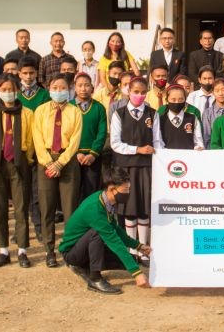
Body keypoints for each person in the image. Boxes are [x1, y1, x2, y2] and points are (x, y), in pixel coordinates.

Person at [59, 167, 152, 294]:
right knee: (97, 233)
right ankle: (95, 279)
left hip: (82, 246)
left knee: (129, 259)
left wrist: (138, 246)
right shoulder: (95, 208)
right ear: (112, 189)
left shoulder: (104, 200)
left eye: (129, 189)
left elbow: (116, 230)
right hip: (71, 253)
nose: (128, 193)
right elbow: (114, 240)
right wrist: (137, 274)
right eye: (125, 189)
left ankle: (82, 266)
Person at [33, 73, 83, 268]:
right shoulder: (40, 111)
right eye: (55, 87)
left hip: (68, 161)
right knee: (47, 209)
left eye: (63, 88)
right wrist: (48, 162)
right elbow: (37, 138)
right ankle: (49, 250)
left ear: (69, 90)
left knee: (70, 209)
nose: (59, 91)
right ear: (49, 89)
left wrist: (61, 163)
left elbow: (75, 141)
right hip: (46, 160)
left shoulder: (75, 111)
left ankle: (69, 251)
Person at [0, 73, 35, 268]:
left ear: (17, 90)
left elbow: (29, 141)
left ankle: (22, 250)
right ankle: (3, 250)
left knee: (21, 208)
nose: (7, 93)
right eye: (3, 90)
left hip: (19, 162)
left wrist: (26, 158)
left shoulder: (27, 113)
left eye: (11, 90)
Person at [109, 76, 160, 267]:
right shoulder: (119, 113)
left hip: (146, 167)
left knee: (144, 210)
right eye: (135, 91)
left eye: (142, 92)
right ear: (128, 91)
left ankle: (144, 249)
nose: (139, 95)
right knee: (130, 210)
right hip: (126, 166)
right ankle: (132, 249)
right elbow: (115, 143)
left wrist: (159, 155)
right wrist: (137, 149)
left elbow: (158, 141)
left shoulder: (152, 114)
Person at [17, 56, 49, 243]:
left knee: (37, 192)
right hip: (20, 148)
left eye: (31, 73)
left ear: (37, 73)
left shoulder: (44, 94)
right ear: (19, 74)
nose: (28, 77)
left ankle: (39, 228)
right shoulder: (14, 94)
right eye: (25, 73)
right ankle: (20, 230)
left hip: (39, 149)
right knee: (21, 192)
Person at [71, 73, 108, 203]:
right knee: (73, 191)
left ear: (92, 87)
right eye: (80, 85)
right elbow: (66, 133)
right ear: (74, 87)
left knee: (91, 190)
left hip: (93, 157)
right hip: (72, 156)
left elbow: (102, 133)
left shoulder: (99, 108)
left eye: (87, 85)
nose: (83, 89)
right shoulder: (68, 107)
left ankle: (90, 219)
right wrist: (76, 152)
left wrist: (93, 154)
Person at [158, 84, 204, 150]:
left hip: (188, 158)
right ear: (167, 99)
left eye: (181, 99)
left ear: (185, 100)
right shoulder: (160, 120)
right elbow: (158, 143)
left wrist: (198, 147)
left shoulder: (193, 119)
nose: (177, 102)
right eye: (173, 99)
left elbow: (198, 141)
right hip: (167, 158)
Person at [201, 78, 224, 149]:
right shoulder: (207, 113)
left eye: (223, 90)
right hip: (213, 151)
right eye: (217, 91)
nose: (221, 93)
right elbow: (206, 136)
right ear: (213, 92)